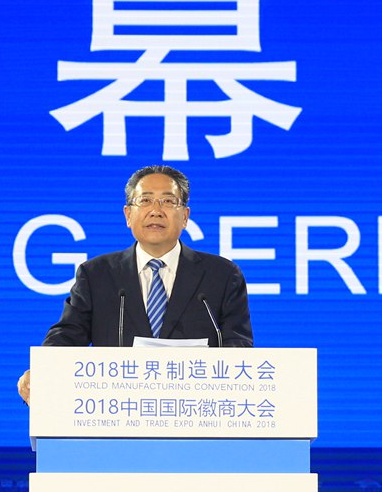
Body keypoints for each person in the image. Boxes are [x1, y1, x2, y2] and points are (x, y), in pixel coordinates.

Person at [17, 165, 253, 404]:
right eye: (145, 200)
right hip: (117, 409)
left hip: (196, 409)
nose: (156, 211)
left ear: (185, 216)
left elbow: (238, 346)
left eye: (168, 201)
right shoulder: (97, 274)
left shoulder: (222, 275)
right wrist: (43, 371)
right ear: (128, 215)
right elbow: (68, 335)